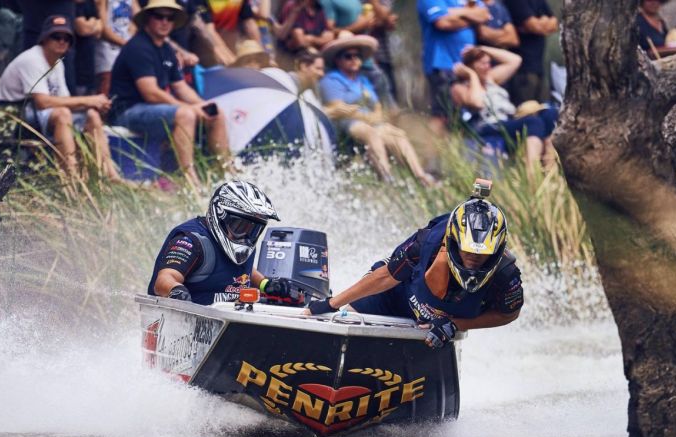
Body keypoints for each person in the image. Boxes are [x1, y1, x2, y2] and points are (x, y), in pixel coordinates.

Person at [305, 181, 524, 349]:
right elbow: (386, 277)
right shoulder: (425, 243)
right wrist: (331, 304)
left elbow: (509, 314)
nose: (473, 259)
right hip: (397, 295)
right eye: (467, 250)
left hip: (438, 330)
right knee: (350, 315)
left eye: (482, 254)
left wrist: (456, 324)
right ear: (454, 241)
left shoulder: (506, 274)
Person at [108, 0, 229, 187]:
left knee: (216, 112)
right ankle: (190, 180)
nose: (165, 22)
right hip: (126, 111)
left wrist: (202, 106)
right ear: (148, 19)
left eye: (170, 17)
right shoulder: (138, 47)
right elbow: (151, 93)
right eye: (159, 16)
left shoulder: (166, 49)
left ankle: (226, 171)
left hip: (151, 109)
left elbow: (181, 87)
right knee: (186, 114)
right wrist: (190, 108)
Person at [0, 15, 123, 181]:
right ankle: (71, 178)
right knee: (63, 114)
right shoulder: (32, 59)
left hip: (36, 115)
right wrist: (87, 100)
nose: (62, 41)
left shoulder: (57, 62)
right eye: (56, 37)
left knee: (92, 114)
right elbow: (43, 102)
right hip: (12, 117)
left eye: (67, 38)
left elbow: (65, 100)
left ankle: (110, 175)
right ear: (44, 39)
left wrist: (94, 104)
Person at [148, 180, 295, 305]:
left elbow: (243, 270)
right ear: (221, 215)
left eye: (253, 229)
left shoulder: (245, 245)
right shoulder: (191, 241)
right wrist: (176, 291)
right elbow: (164, 279)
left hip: (229, 321)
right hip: (185, 323)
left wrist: (266, 284)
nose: (246, 234)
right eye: (240, 226)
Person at [319, 32, 436, 186]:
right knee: (371, 133)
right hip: (346, 124)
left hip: (371, 121)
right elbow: (339, 109)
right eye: (348, 56)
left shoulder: (364, 80)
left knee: (397, 136)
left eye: (357, 56)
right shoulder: (331, 80)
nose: (354, 60)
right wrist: (368, 117)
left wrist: (374, 117)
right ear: (338, 60)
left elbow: (378, 107)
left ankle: (420, 176)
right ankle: (386, 176)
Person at [451, 45, 557, 169]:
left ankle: (550, 171)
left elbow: (515, 60)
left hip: (509, 122)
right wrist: (471, 75)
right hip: (487, 127)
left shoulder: (491, 79)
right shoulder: (460, 87)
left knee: (550, 114)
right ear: (470, 66)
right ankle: (533, 177)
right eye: (482, 63)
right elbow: (477, 102)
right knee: (486, 177)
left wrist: (482, 49)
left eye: (488, 63)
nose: (487, 67)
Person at [417, 0, 490, 131]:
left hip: (466, 65)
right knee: (442, 114)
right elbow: (443, 22)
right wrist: (472, 16)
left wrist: (455, 14)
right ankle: (430, 149)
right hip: (441, 64)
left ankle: (456, 148)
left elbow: (484, 14)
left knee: (463, 113)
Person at [505, 0, 558, 104]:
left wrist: (540, 23)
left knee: (542, 108)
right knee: (526, 112)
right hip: (523, 69)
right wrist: (544, 21)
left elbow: (555, 23)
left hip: (539, 66)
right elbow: (533, 26)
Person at [95, 0, 137, 95]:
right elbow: (103, 29)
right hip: (107, 53)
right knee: (106, 90)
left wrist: (133, 31)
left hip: (128, 50)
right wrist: (129, 45)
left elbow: (138, 18)